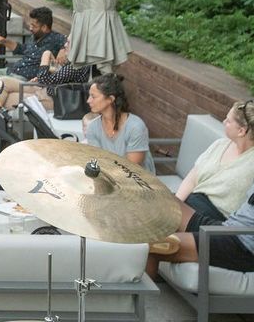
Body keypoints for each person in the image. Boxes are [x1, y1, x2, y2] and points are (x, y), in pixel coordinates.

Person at [174, 100, 254, 232]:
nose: (223, 122)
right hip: (189, 205)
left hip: (213, 223)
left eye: (228, 121)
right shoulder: (220, 144)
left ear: (241, 131)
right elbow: (192, 179)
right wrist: (175, 206)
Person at [149, 179, 254, 277]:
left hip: (241, 243)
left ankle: (138, 295)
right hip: (227, 227)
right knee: (152, 198)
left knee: (152, 245)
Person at [0, 37, 91, 110]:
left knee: (9, 98)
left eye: (68, 43)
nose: (65, 45)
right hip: (49, 91)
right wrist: (49, 66)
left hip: (57, 100)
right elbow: (55, 77)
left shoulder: (77, 65)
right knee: (3, 81)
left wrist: (46, 54)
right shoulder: (72, 63)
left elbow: (44, 80)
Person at [85, 73, 155, 173]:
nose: (88, 101)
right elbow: (97, 161)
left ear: (110, 99)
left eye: (93, 97)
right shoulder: (92, 127)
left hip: (140, 182)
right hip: (109, 177)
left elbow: (132, 168)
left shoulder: (135, 127)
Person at [0, 7, 66, 87]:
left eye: (34, 26)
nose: (30, 28)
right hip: (10, 71)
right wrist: (3, 41)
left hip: (23, 79)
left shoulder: (56, 38)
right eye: (30, 25)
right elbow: (21, 49)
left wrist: (63, 49)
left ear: (44, 27)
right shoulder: (34, 37)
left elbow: (70, 41)